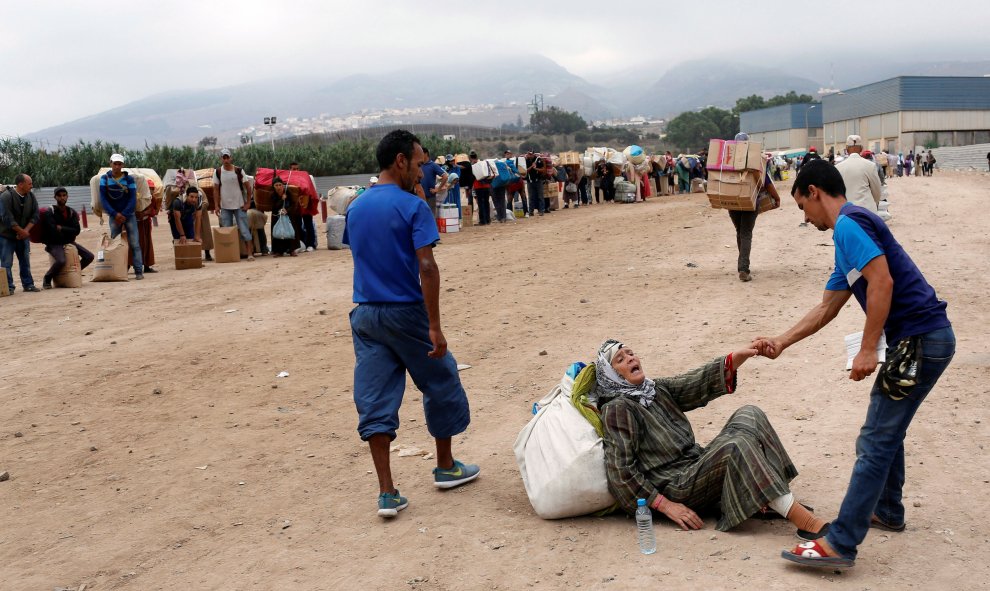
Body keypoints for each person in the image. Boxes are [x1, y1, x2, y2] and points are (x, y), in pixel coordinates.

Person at [754, 159, 954, 569]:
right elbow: (827, 307)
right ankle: (888, 510)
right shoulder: (845, 237)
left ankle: (840, 542)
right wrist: (781, 341)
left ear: (813, 192)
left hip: (920, 340)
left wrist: (866, 350)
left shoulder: (848, 224)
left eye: (801, 208)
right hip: (922, 339)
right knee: (886, 431)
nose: (806, 220)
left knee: (875, 440)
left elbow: (882, 282)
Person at [343, 129, 479, 518]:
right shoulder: (413, 207)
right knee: (441, 380)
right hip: (406, 312)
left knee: (374, 399)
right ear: (400, 160)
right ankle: (446, 466)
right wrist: (434, 325)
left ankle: (387, 492)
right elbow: (425, 265)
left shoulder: (356, 206)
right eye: (419, 163)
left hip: (366, 314)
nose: (422, 171)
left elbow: (366, 252)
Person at [593, 339, 824, 537]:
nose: (631, 359)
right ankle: (806, 524)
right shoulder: (617, 408)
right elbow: (620, 472)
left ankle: (769, 498)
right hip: (676, 487)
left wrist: (737, 357)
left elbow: (695, 382)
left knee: (750, 414)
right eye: (620, 360)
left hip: (694, 466)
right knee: (735, 445)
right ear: (611, 375)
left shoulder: (654, 389)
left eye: (630, 353)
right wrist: (667, 506)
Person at [727, 133, 780, 283]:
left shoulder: (727, 160)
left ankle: (742, 264)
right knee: (746, 233)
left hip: (732, 200)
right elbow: (765, 181)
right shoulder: (754, 158)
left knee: (740, 231)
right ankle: (744, 268)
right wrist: (776, 197)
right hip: (750, 201)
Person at [99, 154, 144, 279]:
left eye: (120, 164)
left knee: (134, 243)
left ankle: (138, 271)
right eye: (115, 163)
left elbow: (132, 198)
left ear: (123, 165)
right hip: (114, 216)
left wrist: (124, 214)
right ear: (110, 163)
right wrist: (114, 214)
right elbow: (103, 199)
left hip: (128, 215)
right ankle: (118, 270)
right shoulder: (104, 179)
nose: (117, 166)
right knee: (115, 245)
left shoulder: (129, 179)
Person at [40, 187, 95, 288]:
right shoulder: (50, 212)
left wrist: (62, 228)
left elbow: (77, 230)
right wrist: (68, 231)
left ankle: (75, 272)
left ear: (67, 197)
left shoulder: (71, 212)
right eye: (59, 196)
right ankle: (48, 277)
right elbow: (53, 231)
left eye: (64, 195)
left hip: (68, 241)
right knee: (61, 260)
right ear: (55, 197)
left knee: (89, 257)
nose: (62, 198)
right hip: (54, 243)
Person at [0, 173, 41, 293]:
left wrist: (25, 231)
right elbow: (6, 218)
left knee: (25, 261)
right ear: (20, 184)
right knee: (6, 262)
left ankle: (28, 284)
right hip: (6, 236)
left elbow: (35, 215)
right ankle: (8, 287)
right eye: (30, 184)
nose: (32, 186)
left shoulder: (31, 197)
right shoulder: (5, 197)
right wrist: (21, 231)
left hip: (23, 236)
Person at [212, 149, 254, 261]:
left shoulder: (239, 171)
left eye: (227, 157)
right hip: (225, 206)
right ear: (221, 159)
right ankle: (230, 254)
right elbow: (215, 190)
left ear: (231, 158)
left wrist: (248, 203)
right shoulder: (217, 172)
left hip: (239, 205)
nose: (225, 160)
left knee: (244, 229)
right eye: (223, 157)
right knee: (227, 231)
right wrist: (216, 205)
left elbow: (248, 187)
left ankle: (250, 253)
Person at [835, 135, 882, 213]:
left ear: (846, 149)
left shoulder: (838, 167)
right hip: (867, 211)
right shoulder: (870, 165)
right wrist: (875, 203)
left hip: (847, 212)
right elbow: (877, 191)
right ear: (861, 148)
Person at [128, 179, 159, 274]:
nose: (151, 191)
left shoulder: (153, 198)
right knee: (133, 244)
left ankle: (146, 266)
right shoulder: (136, 197)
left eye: (152, 189)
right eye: (149, 188)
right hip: (135, 223)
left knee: (147, 244)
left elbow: (154, 211)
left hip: (146, 223)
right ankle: (128, 265)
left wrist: (146, 213)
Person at [270, 177, 302, 257]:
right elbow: (274, 207)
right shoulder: (272, 195)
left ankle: (292, 250)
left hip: (288, 216)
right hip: (277, 217)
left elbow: (293, 204)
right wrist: (281, 199)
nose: (278, 187)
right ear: (273, 186)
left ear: (283, 185)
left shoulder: (288, 192)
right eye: (276, 185)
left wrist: (287, 210)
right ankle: (278, 251)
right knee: (278, 232)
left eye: (280, 185)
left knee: (290, 231)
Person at [419, 148, 447, 219]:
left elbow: (445, 176)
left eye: (421, 153)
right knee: (421, 216)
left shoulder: (433, 165)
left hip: (430, 196)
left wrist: (437, 189)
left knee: (431, 216)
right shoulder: (419, 165)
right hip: (419, 196)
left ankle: (433, 230)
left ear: (426, 154)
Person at [525, 151, 545, 215]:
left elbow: (543, 169)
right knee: (531, 197)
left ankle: (541, 211)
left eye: (531, 154)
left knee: (540, 196)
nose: (530, 156)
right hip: (530, 181)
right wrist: (532, 166)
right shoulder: (526, 161)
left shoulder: (538, 160)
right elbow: (525, 171)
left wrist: (536, 168)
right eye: (529, 154)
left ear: (533, 154)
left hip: (538, 180)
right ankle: (531, 211)